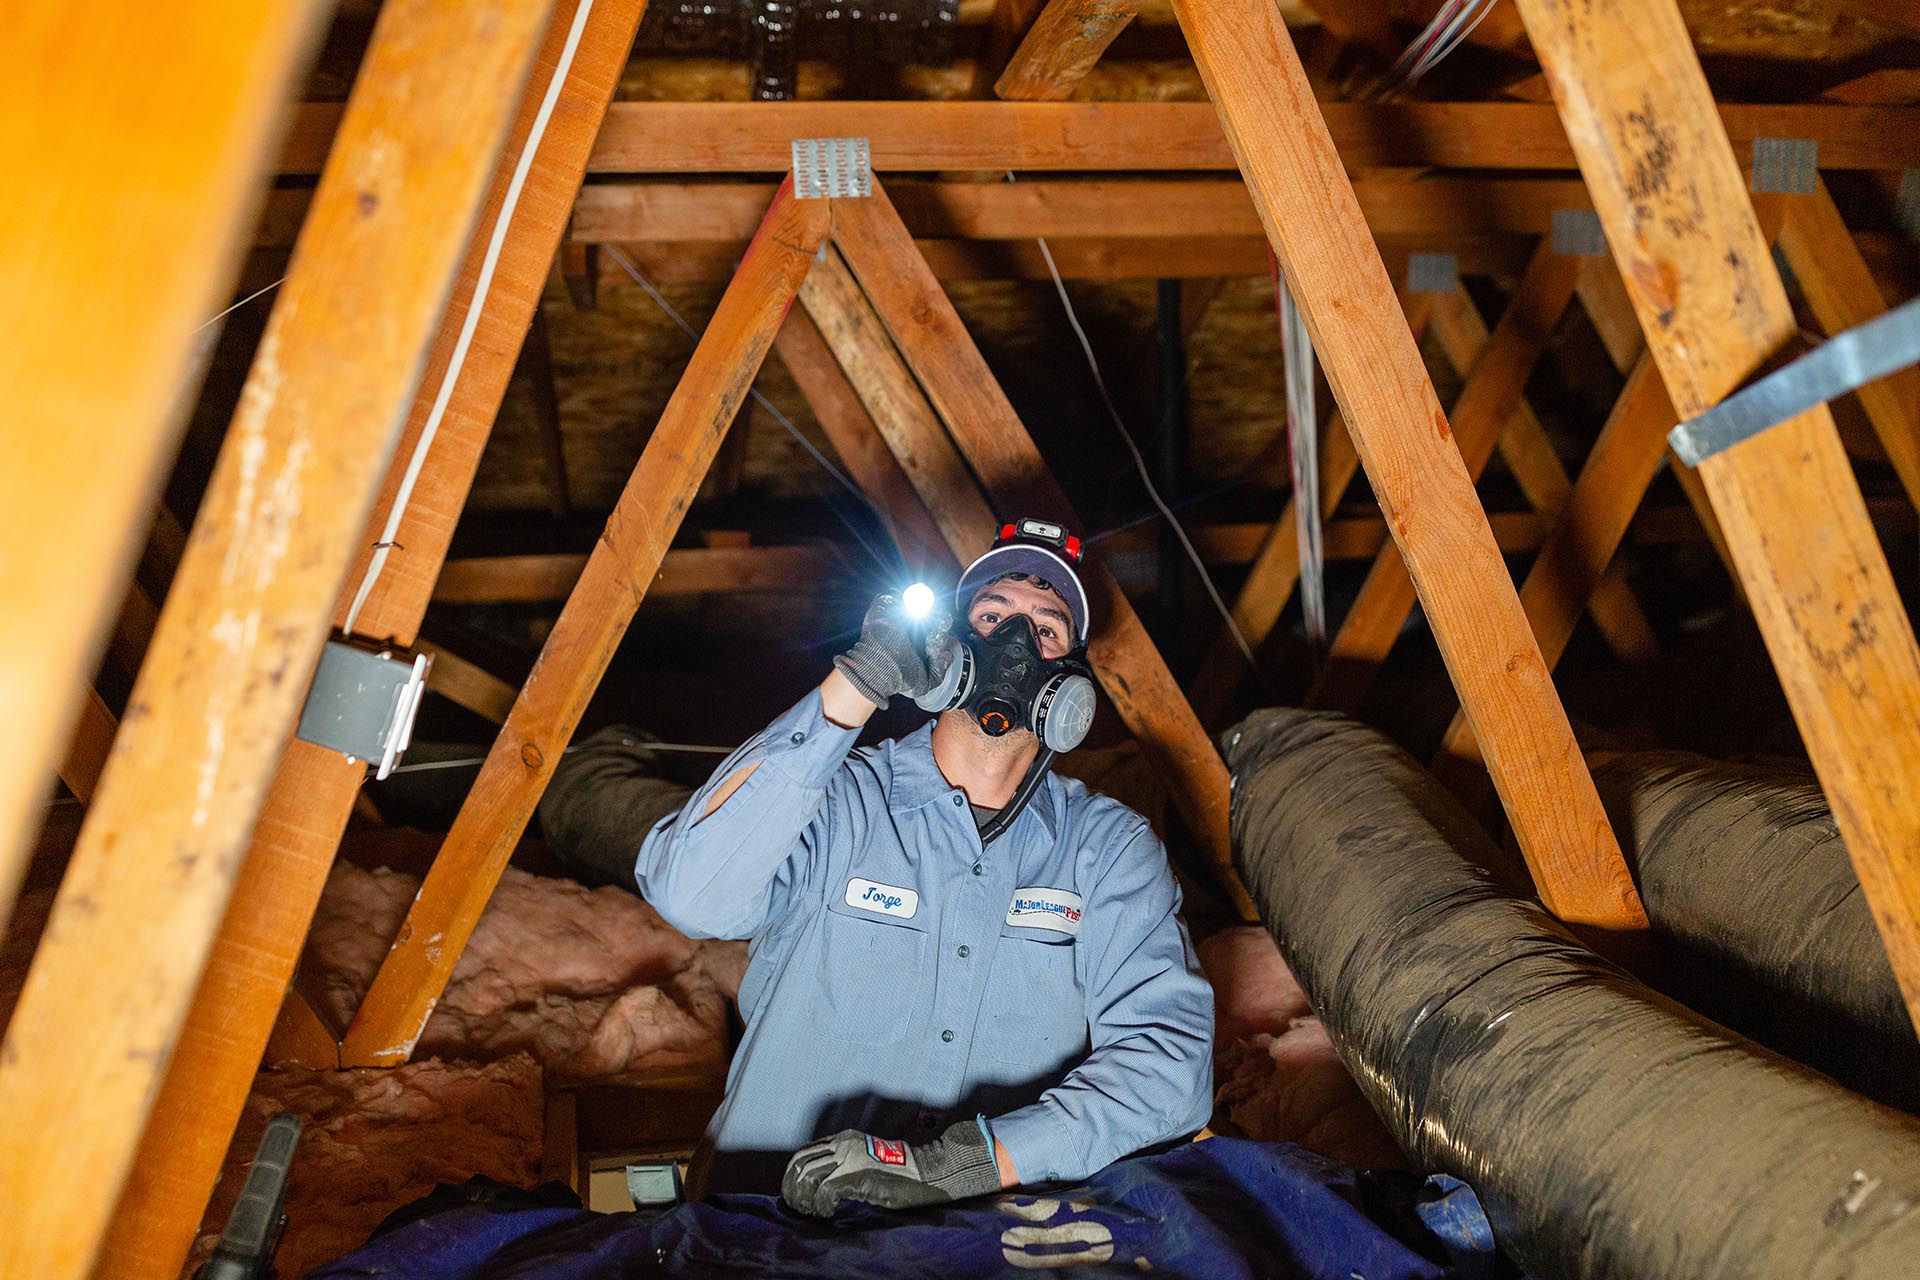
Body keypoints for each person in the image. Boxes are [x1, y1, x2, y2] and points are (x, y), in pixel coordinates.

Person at [636, 519, 1213, 1217]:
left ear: (1069, 682)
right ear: (949, 650)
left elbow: (1171, 1069)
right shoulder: (834, 804)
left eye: (1047, 629)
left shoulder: (1108, 852)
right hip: (765, 1234)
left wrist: (966, 1164)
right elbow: (688, 891)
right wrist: (861, 680)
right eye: (993, 615)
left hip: (980, 1248)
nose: (1015, 644)